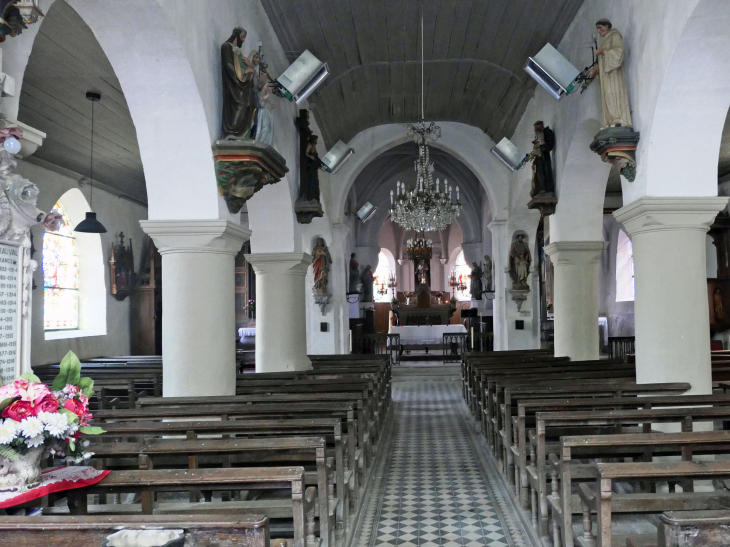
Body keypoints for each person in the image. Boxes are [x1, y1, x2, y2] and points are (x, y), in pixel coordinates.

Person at [589, 19, 633, 129]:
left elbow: (619, 52)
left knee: (613, 94)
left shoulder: (614, 35)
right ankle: (610, 121)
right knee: (608, 97)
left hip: (613, 75)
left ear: (607, 26)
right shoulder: (604, 41)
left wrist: (603, 52)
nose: (599, 31)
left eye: (600, 27)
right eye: (597, 29)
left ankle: (618, 120)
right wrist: (597, 69)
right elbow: (603, 62)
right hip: (606, 76)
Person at [220, 27, 257, 140]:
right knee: (241, 105)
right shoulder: (227, 47)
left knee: (248, 106)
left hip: (243, 87)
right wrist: (245, 71)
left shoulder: (238, 52)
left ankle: (242, 137)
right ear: (236, 36)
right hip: (234, 85)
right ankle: (232, 133)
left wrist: (250, 68)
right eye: (243, 37)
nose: (244, 40)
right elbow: (228, 65)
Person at [530, 121, 555, 197]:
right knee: (539, 173)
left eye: (536, 127)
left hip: (544, 157)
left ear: (541, 126)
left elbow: (549, 145)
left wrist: (540, 147)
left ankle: (547, 189)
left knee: (545, 171)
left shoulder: (547, 132)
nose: (535, 129)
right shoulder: (538, 135)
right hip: (539, 157)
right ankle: (541, 189)